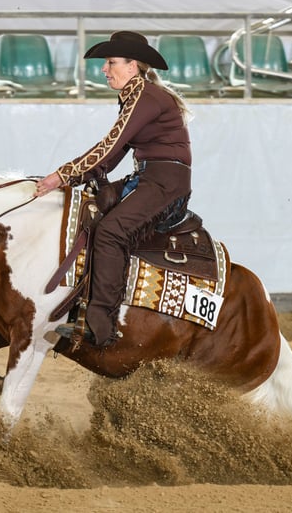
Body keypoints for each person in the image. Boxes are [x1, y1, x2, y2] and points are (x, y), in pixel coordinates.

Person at [35, 31, 193, 348]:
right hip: (153, 179)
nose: (104, 69)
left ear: (132, 66)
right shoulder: (138, 95)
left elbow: (110, 146)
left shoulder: (144, 96)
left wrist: (62, 176)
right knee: (90, 210)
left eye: (111, 62)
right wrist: (84, 177)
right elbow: (115, 154)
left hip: (164, 183)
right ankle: (84, 301)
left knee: (110, 232)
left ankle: (100, 326)